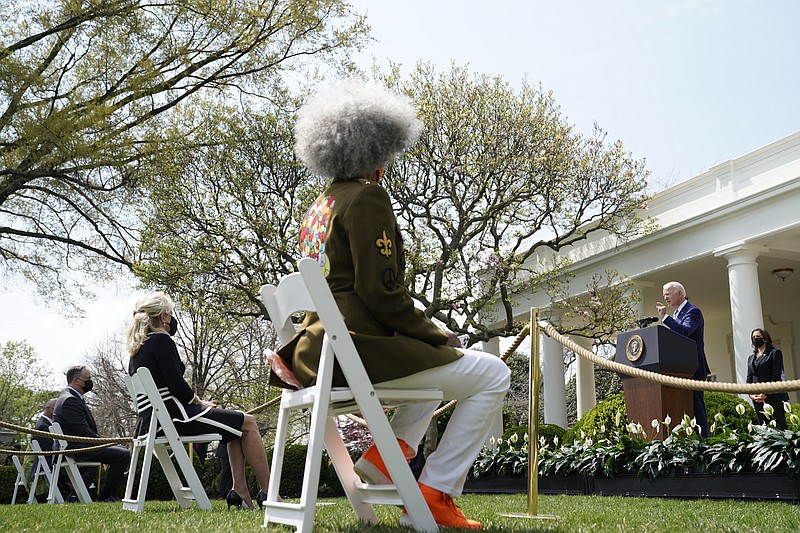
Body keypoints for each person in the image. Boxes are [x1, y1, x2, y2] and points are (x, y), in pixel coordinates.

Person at [276, 80, 511, 529]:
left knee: (431, 370)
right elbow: (382, 294)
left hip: (318, 352)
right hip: (356, 351)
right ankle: (434, 492)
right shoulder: (367, 196)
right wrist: (434, 331)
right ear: (375, 150)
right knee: (493, 373)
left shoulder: (320, 204)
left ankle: (388, 457)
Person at [126, 292, 272, 509]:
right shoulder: (161, 341)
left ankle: (239, 490)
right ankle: (269, 493)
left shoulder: (136, 350)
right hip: (175, 417)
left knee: (234, 427)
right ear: (164, 316)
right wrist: (199, 402)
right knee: (248, 422)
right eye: (171, 313)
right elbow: (176, 385)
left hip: (152, 422)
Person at [53, 365, 131, 502]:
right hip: (77, 449)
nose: (91, 382)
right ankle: (107, 497)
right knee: (123, 455)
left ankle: (108, 495)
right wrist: (105, 442)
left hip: (80, 446)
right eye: (88, 378)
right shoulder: (69, 400)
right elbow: (83, 432)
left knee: (122, 451)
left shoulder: (71, 398)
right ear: (77, 381)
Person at [656, 281, 710, 437]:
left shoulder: (693, 311)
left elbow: (685, 332)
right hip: (678, 369)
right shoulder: (677, 314)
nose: (665, 297)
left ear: (679, 294)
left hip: (693, 368)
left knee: (696, 407)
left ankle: (703, 442)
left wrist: (665, 318)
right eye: (664, 294)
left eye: (667, 293)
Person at [746, 328, 789, 430]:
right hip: (758, 400)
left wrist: (766, 394)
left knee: (779, 428)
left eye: (758, 337)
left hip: (774, 397)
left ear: (765, 338)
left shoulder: (775, 353)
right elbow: (749, 378)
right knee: (764, 429)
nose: (755, 339)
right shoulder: (751, 358)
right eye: (753, 337)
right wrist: (751, 395)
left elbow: (776, 375)